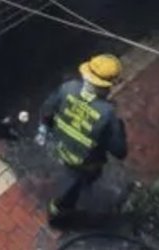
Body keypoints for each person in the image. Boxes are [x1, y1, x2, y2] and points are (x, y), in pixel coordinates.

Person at [39, 54, 128, 223]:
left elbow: (46, 112)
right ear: (109, 85)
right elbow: (120, 151)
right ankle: (58, 213)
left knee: (71, 176)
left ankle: (63, 200)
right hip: (83, 165)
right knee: (74, 186)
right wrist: (119, 129)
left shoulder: (67, 88)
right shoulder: (108, 115)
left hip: (59, 147)